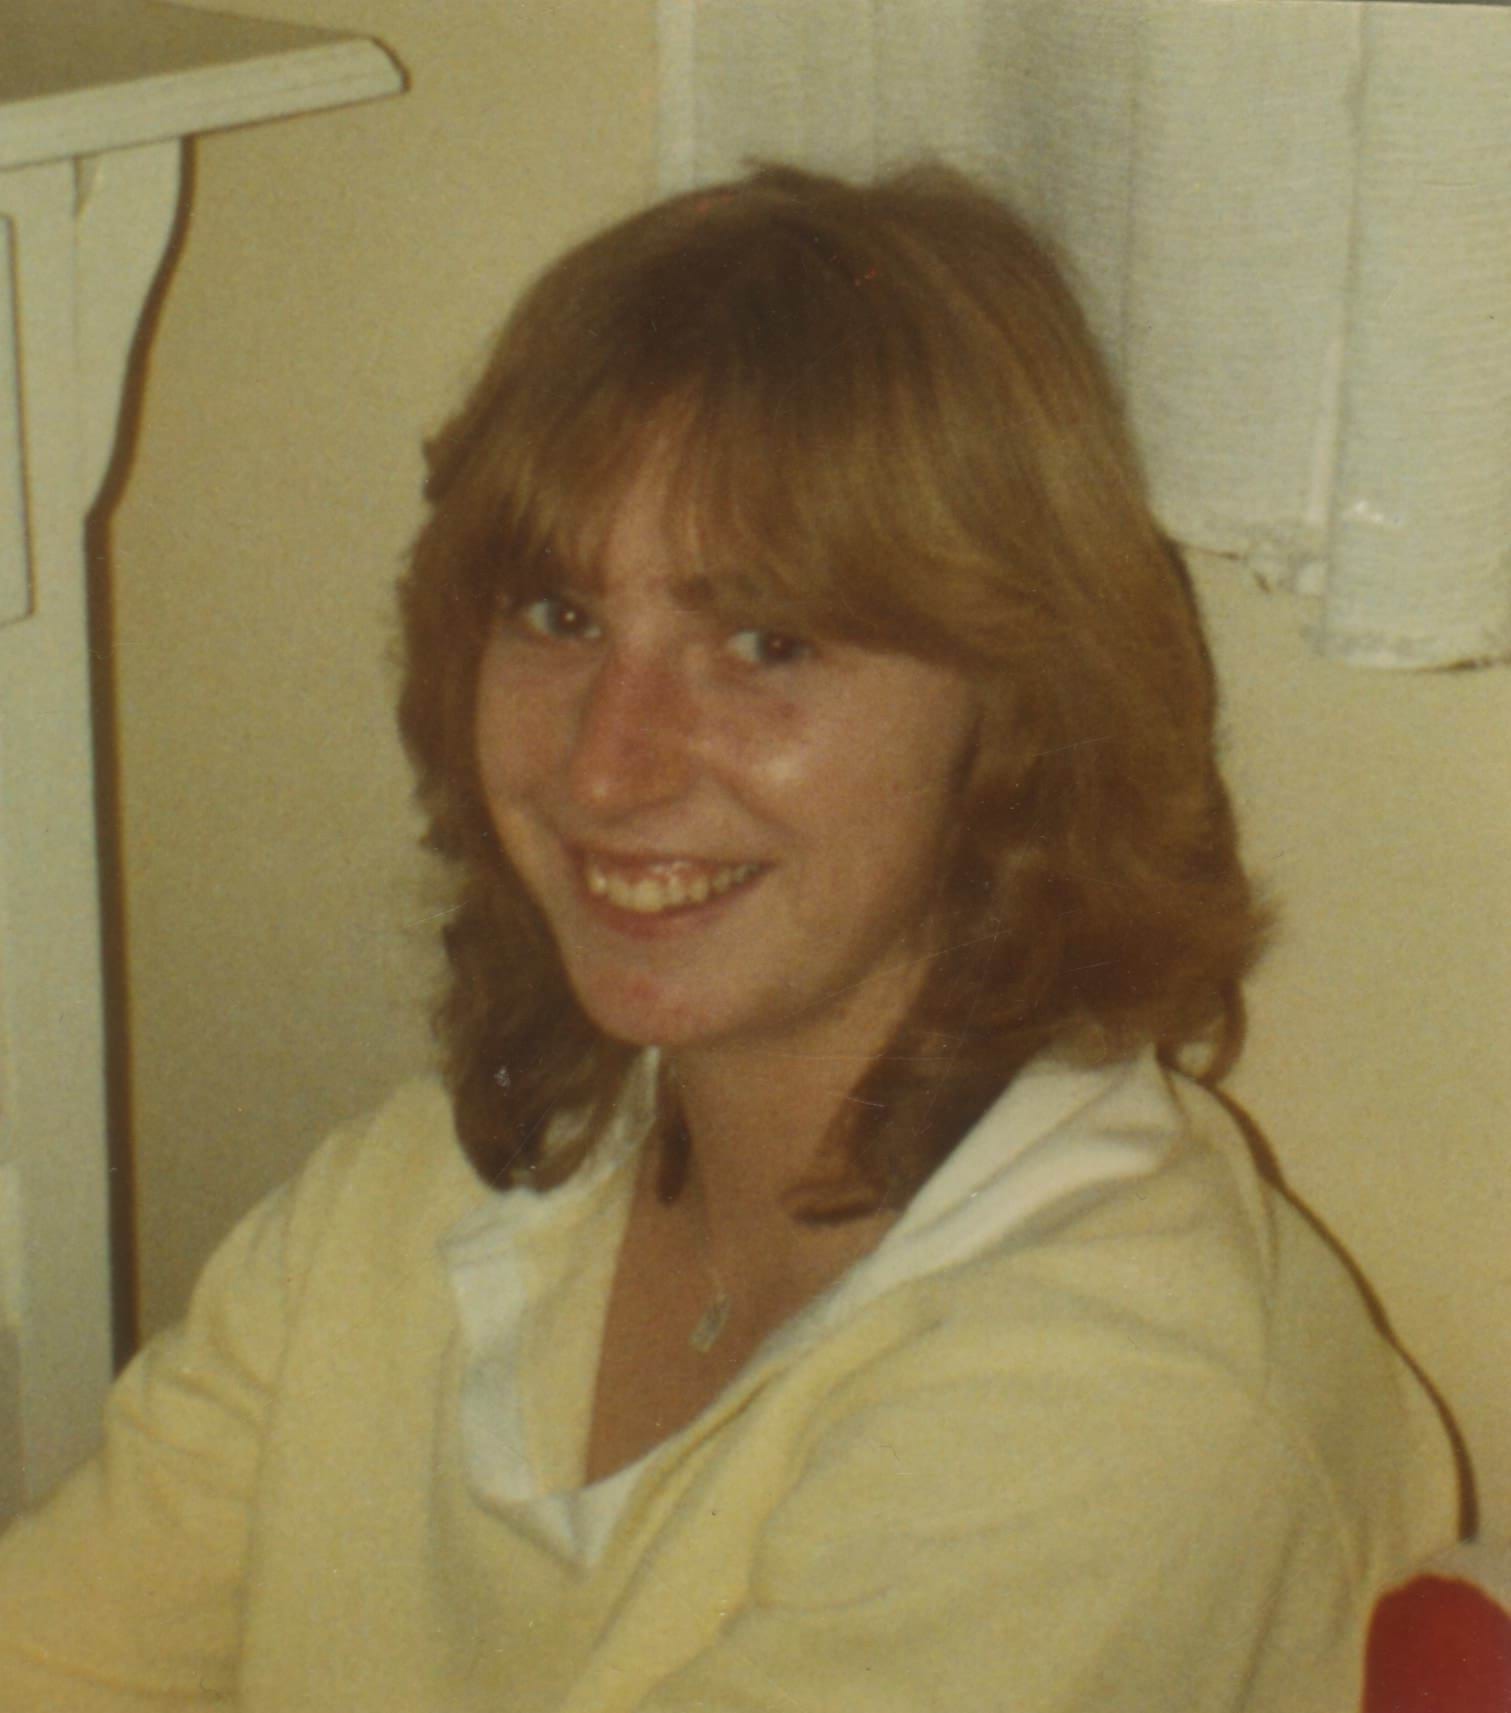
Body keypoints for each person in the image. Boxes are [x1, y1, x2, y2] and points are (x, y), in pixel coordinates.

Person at [0, 163, 1459, 1710]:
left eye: (767, 642)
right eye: (560, 617)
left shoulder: (1122, 1397)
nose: (610, 763)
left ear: (1018, 717)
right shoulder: (406, 1208)